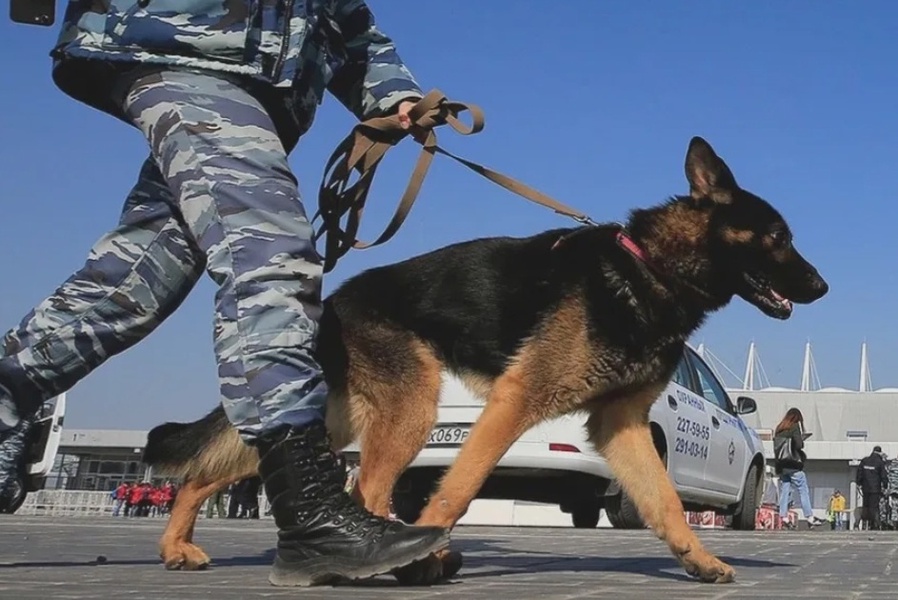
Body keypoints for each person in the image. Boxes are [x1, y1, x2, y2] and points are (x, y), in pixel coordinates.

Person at [0, 0, 448, 586]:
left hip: (263, 95)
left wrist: (395, 97)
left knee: (128, 291)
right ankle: (310, 513)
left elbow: (351, 25)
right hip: (185, 52)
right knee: (270, 252)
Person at [773, 408, 826, 528]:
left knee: (785, 490)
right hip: (792, 464)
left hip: (781, 465)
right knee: (803, 488)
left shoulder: (779, 428)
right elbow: (798, 444)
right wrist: (801, 440)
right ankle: (809, 517)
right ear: (797, 418)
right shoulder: (794, 426)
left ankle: (784, 517)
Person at [856, 445, 888, 531]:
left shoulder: (864, 460)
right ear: (880, 452)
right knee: (874, 507)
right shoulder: (880, 462)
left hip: (865, 488)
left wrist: (859, 483)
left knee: (866, 506)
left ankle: (863, 524)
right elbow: (883, 476)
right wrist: (885, 486)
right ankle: (876, 525)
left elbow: (859, 473)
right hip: (875, 489)